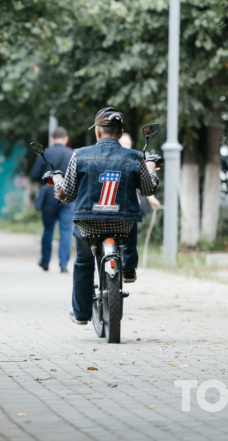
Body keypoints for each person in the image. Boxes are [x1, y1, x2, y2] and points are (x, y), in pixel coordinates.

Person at [52, 107, 159, 325]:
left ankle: (81, 314)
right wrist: (151, 166)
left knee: (83, 263)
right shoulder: (135, 157)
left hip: (88, 225)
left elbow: (68, 194)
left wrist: (57, 182)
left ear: (98, 132)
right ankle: (128, 269)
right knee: (130, 220)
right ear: (120, 134)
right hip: (122, 226)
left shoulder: (79, 155)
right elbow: (148, 190)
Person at [31, 127, 74, 273]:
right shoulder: (72, 154)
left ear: (51, 138)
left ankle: (45, 261)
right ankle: (63, 264)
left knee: (48, 229)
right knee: (66, 230)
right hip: (68, 196)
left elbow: (35, 174)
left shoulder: (45, 154)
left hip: (49, 196)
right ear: (66, 139)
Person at [119, 132, 162, 214]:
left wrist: (152, 199)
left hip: (132, 207)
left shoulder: (136, 162)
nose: (125, 146)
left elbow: (144, 183)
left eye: (127, 143)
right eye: (123, 143)